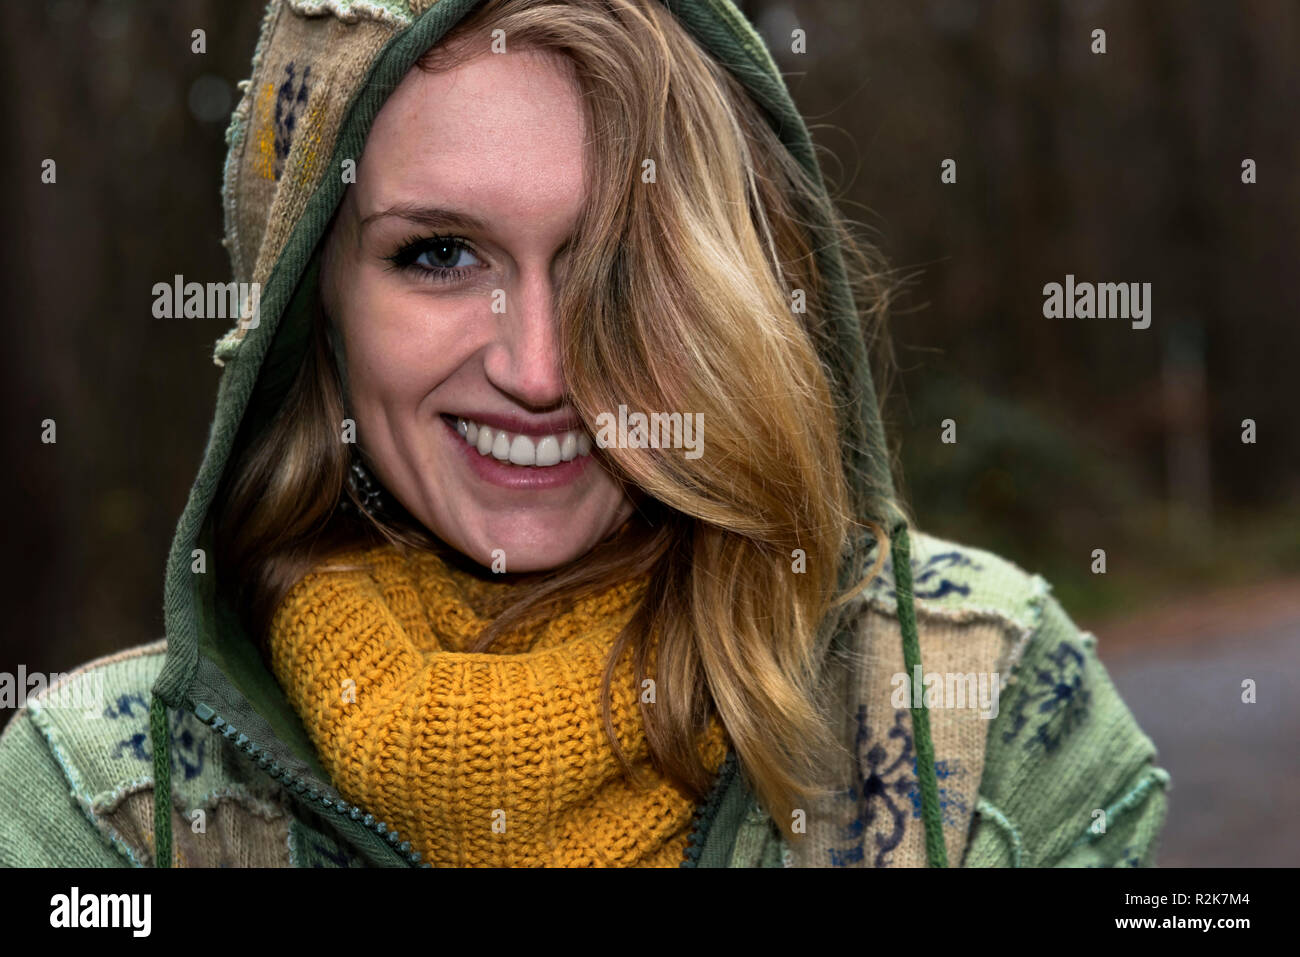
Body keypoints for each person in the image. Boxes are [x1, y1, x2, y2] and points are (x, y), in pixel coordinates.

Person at [0, 0, 1168, 868]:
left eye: (624, 261)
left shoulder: (977, 700)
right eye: (440, 254)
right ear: (317, 314)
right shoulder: (106, 803)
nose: (540, 367)